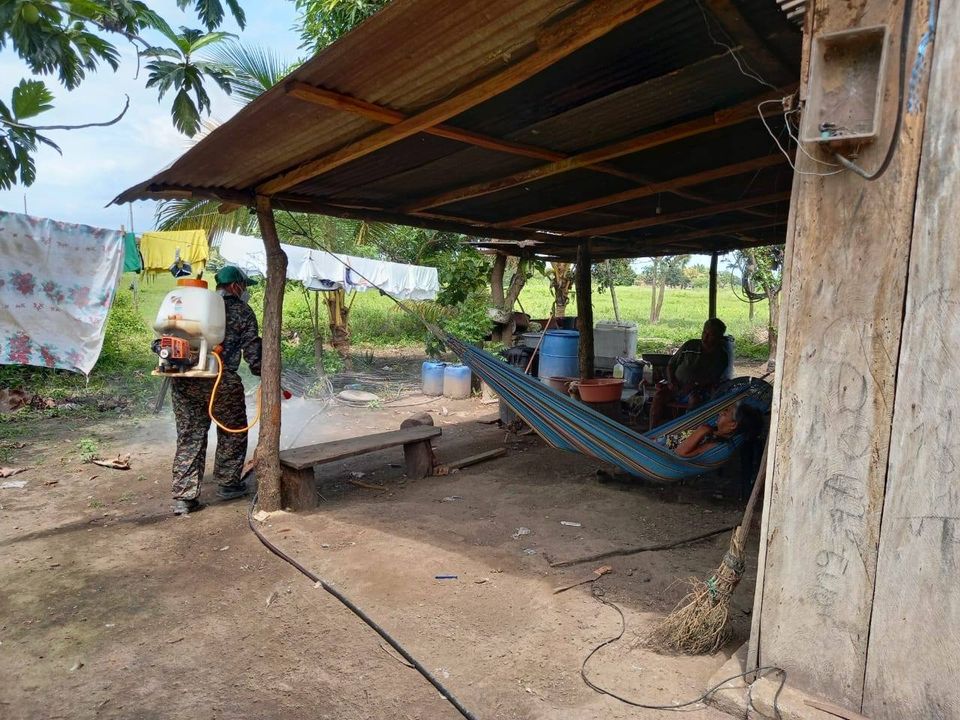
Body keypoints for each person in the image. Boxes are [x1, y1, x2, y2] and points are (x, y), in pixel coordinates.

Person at [170, 266, 262, 515]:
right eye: (244, 286)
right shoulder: (241, 311)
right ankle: (228, 483)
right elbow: (253, 351)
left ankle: (184, 498)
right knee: (232, 431)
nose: (245, 291)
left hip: (184, 379)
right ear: (234, 286)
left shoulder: (195, 307)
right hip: (221, 380)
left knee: (190, 435)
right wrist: (263, 371)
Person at [648, 318, 729, 431]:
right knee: (658, 397)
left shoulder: (721, 356)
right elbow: (671, 365)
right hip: (676, 387)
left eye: (710, 335)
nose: (705, 337)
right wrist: (671, 381)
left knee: (695, 400)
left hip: (697, 390)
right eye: (704, 332)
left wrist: (694, 385)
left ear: (719, 337)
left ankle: (685, 432)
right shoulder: (690, 345)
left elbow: (713, 378)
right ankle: (652, 431)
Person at [667, 401, 762, 457]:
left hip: (663, 452)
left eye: (725, 412)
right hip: (663, 441)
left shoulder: (715, 445)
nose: (720, 413)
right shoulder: (713, 430)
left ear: (733, 425)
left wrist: (701, 431)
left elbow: (679, 453)